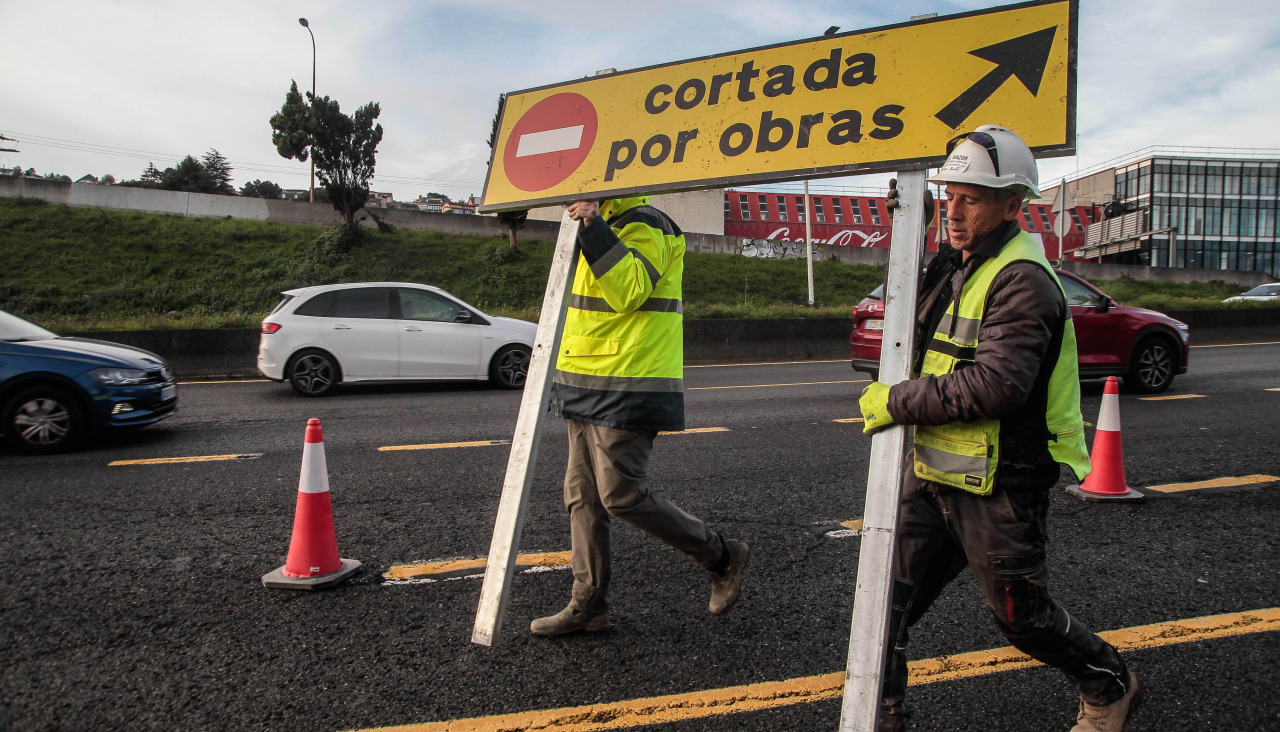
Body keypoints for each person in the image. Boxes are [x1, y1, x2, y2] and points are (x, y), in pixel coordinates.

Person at [860, 125, 1144, 731]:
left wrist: (896, 401)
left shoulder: (1023, 279)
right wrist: (905, 223)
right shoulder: (959, 261)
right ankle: (880, 719)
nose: (954, 211)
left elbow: (996, 385)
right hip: (933, 470)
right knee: (882, 609)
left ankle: (1110, 684)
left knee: (1022, 616)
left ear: (1012, 205)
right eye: (948, 195)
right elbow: (911, 322)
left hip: (1000, 481)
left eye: (972, 198)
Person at [530, 196, 750, 637]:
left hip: (628, 382)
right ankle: (588, 605)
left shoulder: (648, 223)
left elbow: (629, 290)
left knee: (620, 496)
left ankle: (722, 556)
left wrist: (593, 226)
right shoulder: (594, 224)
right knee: (581, 496)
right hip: (584, 381)